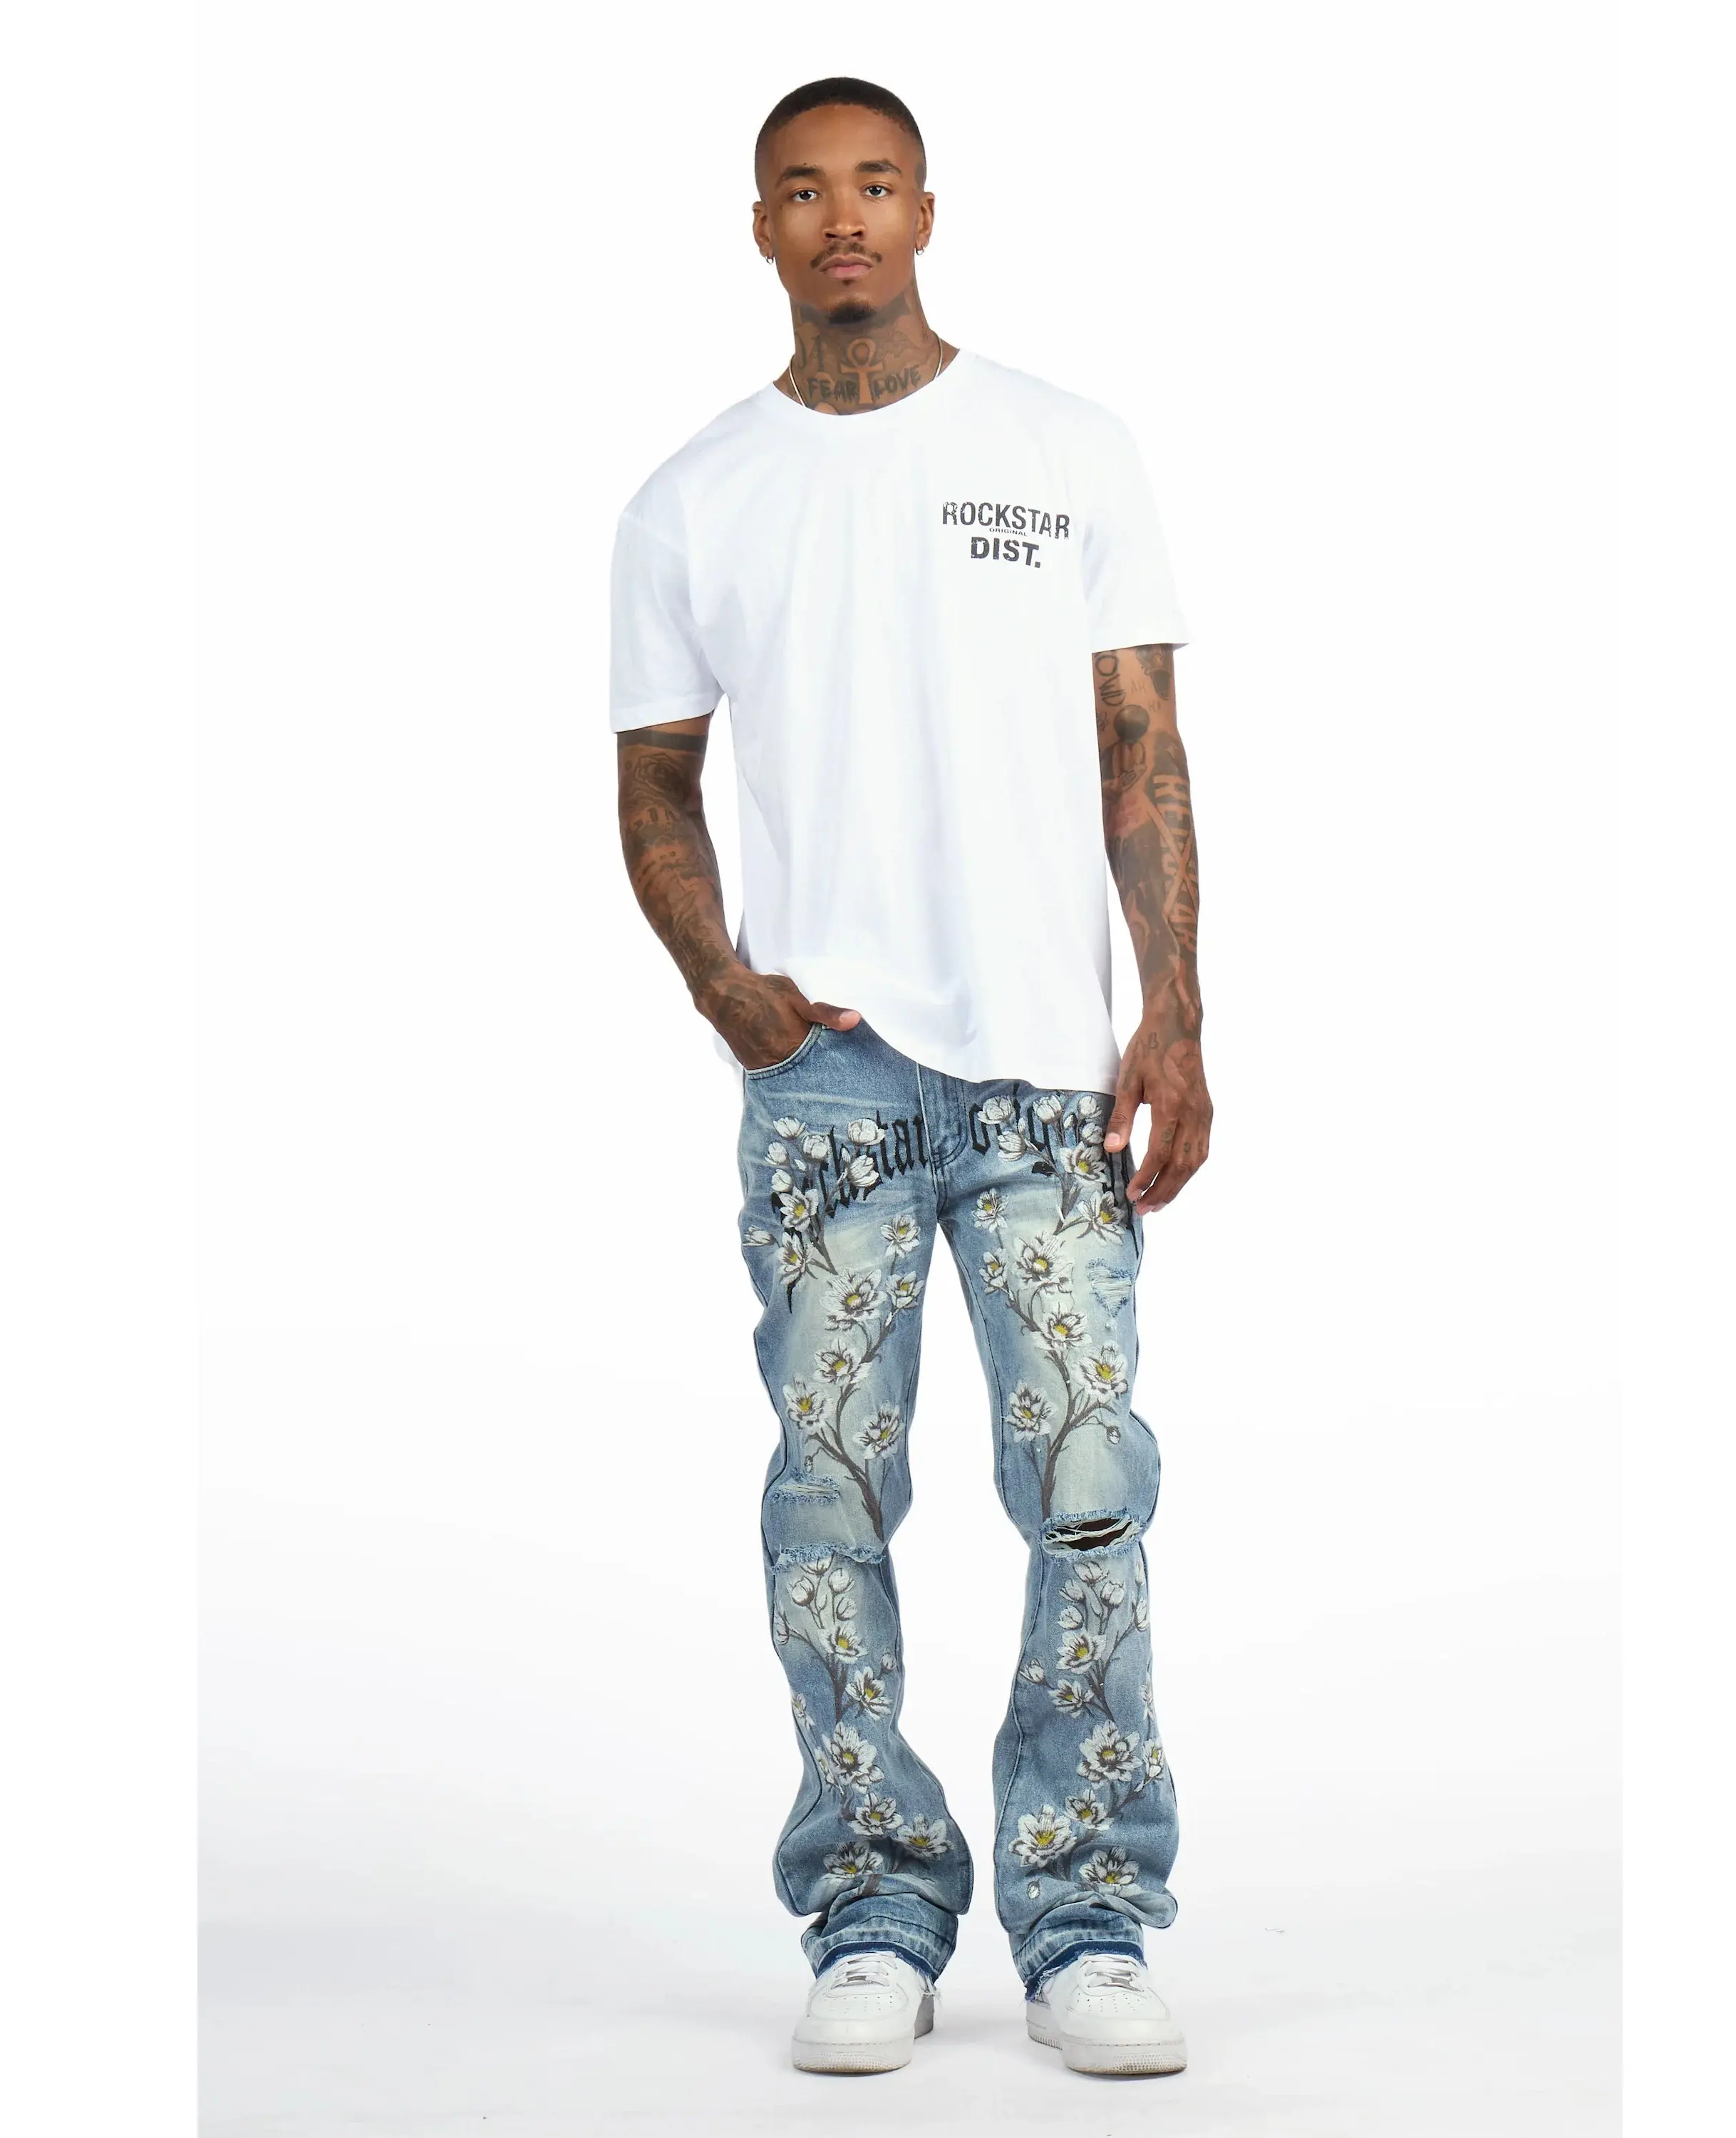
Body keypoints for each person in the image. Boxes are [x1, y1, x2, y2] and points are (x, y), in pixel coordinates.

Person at [609, 76, 1209, 2078]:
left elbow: (1142, 749)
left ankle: (1087, 1916)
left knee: (1090, 1492)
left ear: (928, 210)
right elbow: (656, 778)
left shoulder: (1064, 446)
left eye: (875, 183)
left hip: (1047, 1079)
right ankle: (870, 1904)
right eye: (804, 190)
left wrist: (1174, 1014)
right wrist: (726, 986)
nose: (843, 217)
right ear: (760, 227)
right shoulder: (696, 498)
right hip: (832, 1093)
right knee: (829, 1504)